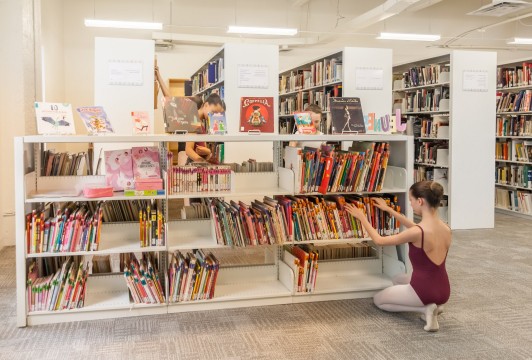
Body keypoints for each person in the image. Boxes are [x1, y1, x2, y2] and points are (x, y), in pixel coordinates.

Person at [344, 181, 451, 332]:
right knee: (397, 279)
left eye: (411, 201)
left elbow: (380, 241)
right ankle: (436, 306)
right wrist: (389, 210)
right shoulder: (446, 228)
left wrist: (362, 218)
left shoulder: (417, 232)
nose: (411, 204)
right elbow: (414, 227)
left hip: (423, 291)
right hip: (444, 290)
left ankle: (425, 310)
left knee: (379, 300)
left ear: (420, 201)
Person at [185, 93, 225, 163]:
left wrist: (208, 152)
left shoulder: (201, 123)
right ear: (206, 105)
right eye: (213, 112)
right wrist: (204, 163)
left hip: (198, 164)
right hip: (194, 166)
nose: (214, 116)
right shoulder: (195, 121)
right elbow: (188, 150)